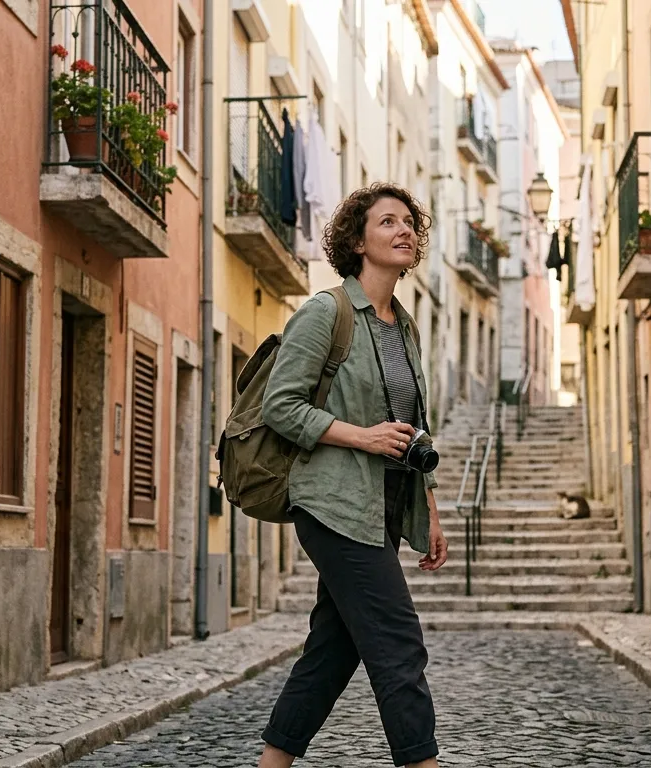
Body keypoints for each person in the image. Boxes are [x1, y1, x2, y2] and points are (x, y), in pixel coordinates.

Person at [257, 183, 449, 768]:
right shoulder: (327, 312)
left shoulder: (404, 327)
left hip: (384, 505)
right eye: (387, 221)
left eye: (408, 222)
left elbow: (414, 426)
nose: (403, 230)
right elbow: (280, 406)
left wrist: (430, 507)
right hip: (334, 504)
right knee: (398, 645)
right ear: (357, 242)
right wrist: (361, 436)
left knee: (332, 653)